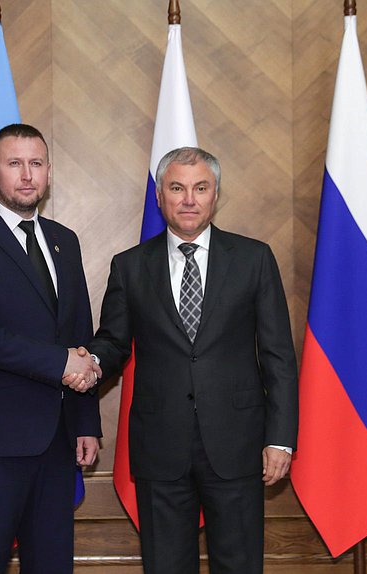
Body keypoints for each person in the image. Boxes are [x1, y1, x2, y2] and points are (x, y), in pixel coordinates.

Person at [87, 147, 298, 574]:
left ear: (215, 194)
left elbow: (278, 356)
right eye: (177, 188)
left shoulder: (254, 259)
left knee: (239, 565)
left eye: (200, 188)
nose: (189, 199)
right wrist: (87, 361)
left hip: (238, 443)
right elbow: (113, 343)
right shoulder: (129, 266)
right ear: (160, 197)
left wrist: (280, 438)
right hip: (160, 445)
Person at [0, 123, 102, 574]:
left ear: (48, 173)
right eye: (14, 164)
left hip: (58, 441)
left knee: (51, 565)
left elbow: (79, 335)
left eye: (36, 164)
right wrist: (60, 362)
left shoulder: (65, 240)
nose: (27, 175)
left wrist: (86, 421)